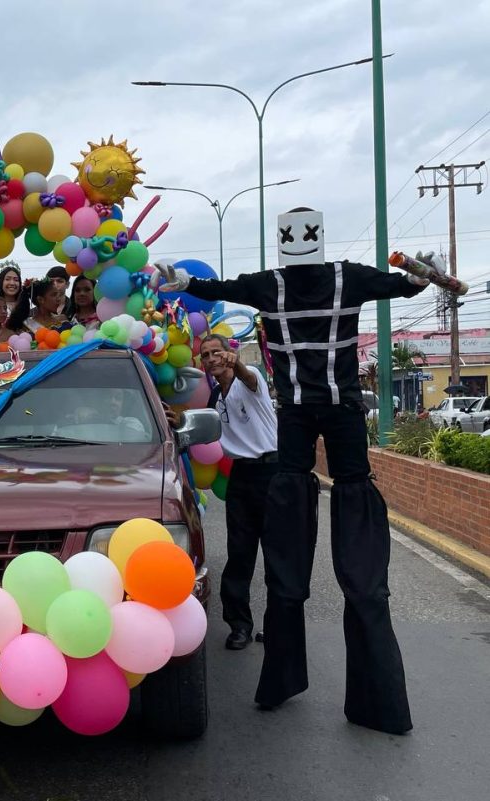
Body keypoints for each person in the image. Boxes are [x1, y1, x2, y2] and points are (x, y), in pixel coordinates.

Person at [155, 206, 441, 734]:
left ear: (286, 243)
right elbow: (405, 287)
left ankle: (287, 675)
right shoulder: (345, 276)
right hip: (335, 412)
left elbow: (222, 285)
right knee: (344, 513)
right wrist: (425, 277)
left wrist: (186, 281)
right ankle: (346, 686)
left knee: (299, 545)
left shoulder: (275, 284)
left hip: (300, 416)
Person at [199, 334, 278, 651]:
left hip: (272, 472)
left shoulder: (251, 379)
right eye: (205, 355)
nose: (212, 358)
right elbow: (204, 432)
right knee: (240, 554)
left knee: (277, 556)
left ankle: (278, 627)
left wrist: (240, 363)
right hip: (242, 476)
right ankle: (239, 626)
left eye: (216, 351)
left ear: (227, 354)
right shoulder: (214, 399)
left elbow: (247, 374)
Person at [0, 278, 68, 343]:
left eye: (59, 295)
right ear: (40, 300)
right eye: (54, 295)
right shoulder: (25, 327)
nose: (58, 299)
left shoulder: (62, 320)